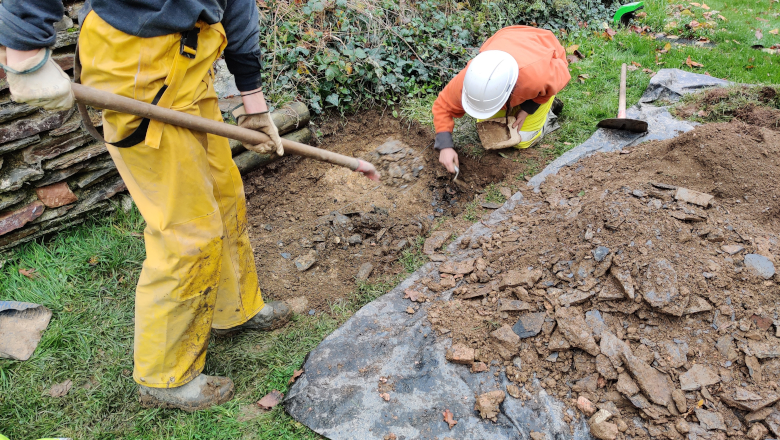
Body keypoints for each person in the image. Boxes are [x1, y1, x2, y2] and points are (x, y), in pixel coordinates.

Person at [0, 0, 293, 411]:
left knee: (225, 196)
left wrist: (254, 99)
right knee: (187, 229)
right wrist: (25, 50)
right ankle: (165, 376)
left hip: (191, 60)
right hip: (134, 64)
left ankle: (234, 308)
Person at [432, 25, 571, 173]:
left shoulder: (536, 77)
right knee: (489, 132)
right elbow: (442, 106)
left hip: (541, 50)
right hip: (507, 40)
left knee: (522, 139)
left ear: (508, 92)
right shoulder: (470, 78)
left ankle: (549, 111)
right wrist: (445, 146)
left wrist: (527, 109)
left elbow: (563, 73)